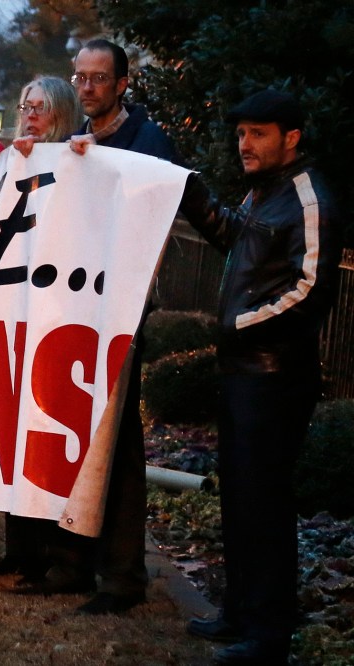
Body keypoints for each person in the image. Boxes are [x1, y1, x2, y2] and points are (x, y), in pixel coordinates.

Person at [12, 40, 179, 615]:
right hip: (70, 312)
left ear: (122, 83)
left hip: (118, 314)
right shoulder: (77, 142)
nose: (87, 87)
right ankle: (71, 562)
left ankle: (122, 577)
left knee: (120, 452)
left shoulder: (145, 140)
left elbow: (150, 211)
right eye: (80, 77)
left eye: (99, 78)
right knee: (70, 440)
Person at [178, 89, 342, 665]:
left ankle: (267, 636)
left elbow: (311, 288)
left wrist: (237, 326)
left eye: (258, 134)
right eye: (241, 133)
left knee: (264, 504)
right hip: (246, 373)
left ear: (291, 137)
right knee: (240, 499)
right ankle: (241, 614)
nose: (244, 144)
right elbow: (233, 238)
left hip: (276, 379)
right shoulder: (264, 192)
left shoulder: (308, 197)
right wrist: (190, 193)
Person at [0, 77, 85, 578]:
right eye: (24, 105)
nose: (29, 115)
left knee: (46, 432)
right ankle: (20, 550)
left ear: (63, 115)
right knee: (13, 433)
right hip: (11, 314)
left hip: (56, 317)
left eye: (40, 108)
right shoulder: (12, 159)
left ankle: (54, 556)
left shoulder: (80, 160)